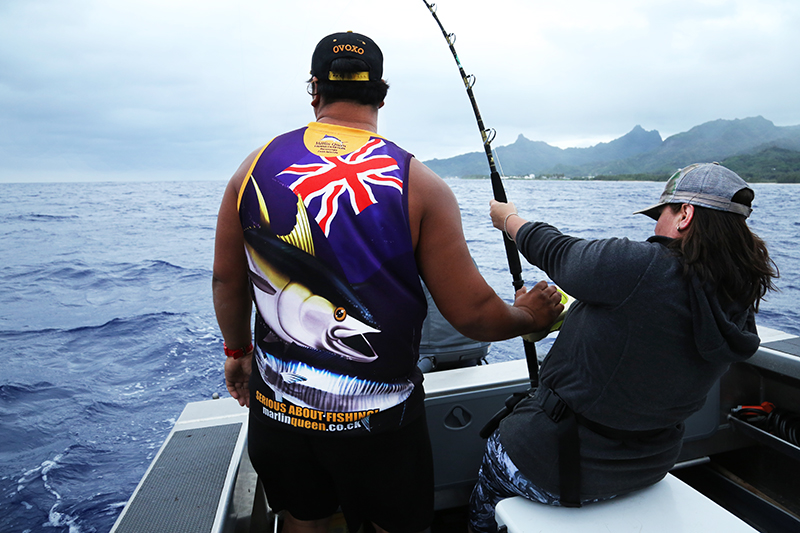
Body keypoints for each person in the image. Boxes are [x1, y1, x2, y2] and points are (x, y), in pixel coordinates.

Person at [212, 31, 564, 533]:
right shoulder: (421, 184)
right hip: (381, 427)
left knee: (303, 520)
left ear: (314, 90)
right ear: (381, 93)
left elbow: (228, 279)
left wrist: (236, 352)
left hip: (280, 414)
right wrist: (532, 315)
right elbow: (472, 315)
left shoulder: (252, 168)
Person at [469, 162, 778, 532]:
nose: (654, 226)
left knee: (488, 490)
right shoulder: (736, 296)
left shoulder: (644, 266)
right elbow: (648, 327)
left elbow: (558, 252)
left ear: (685, 215)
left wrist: (509, 219)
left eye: (661, 214)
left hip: (550, 467)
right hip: (645, 469)